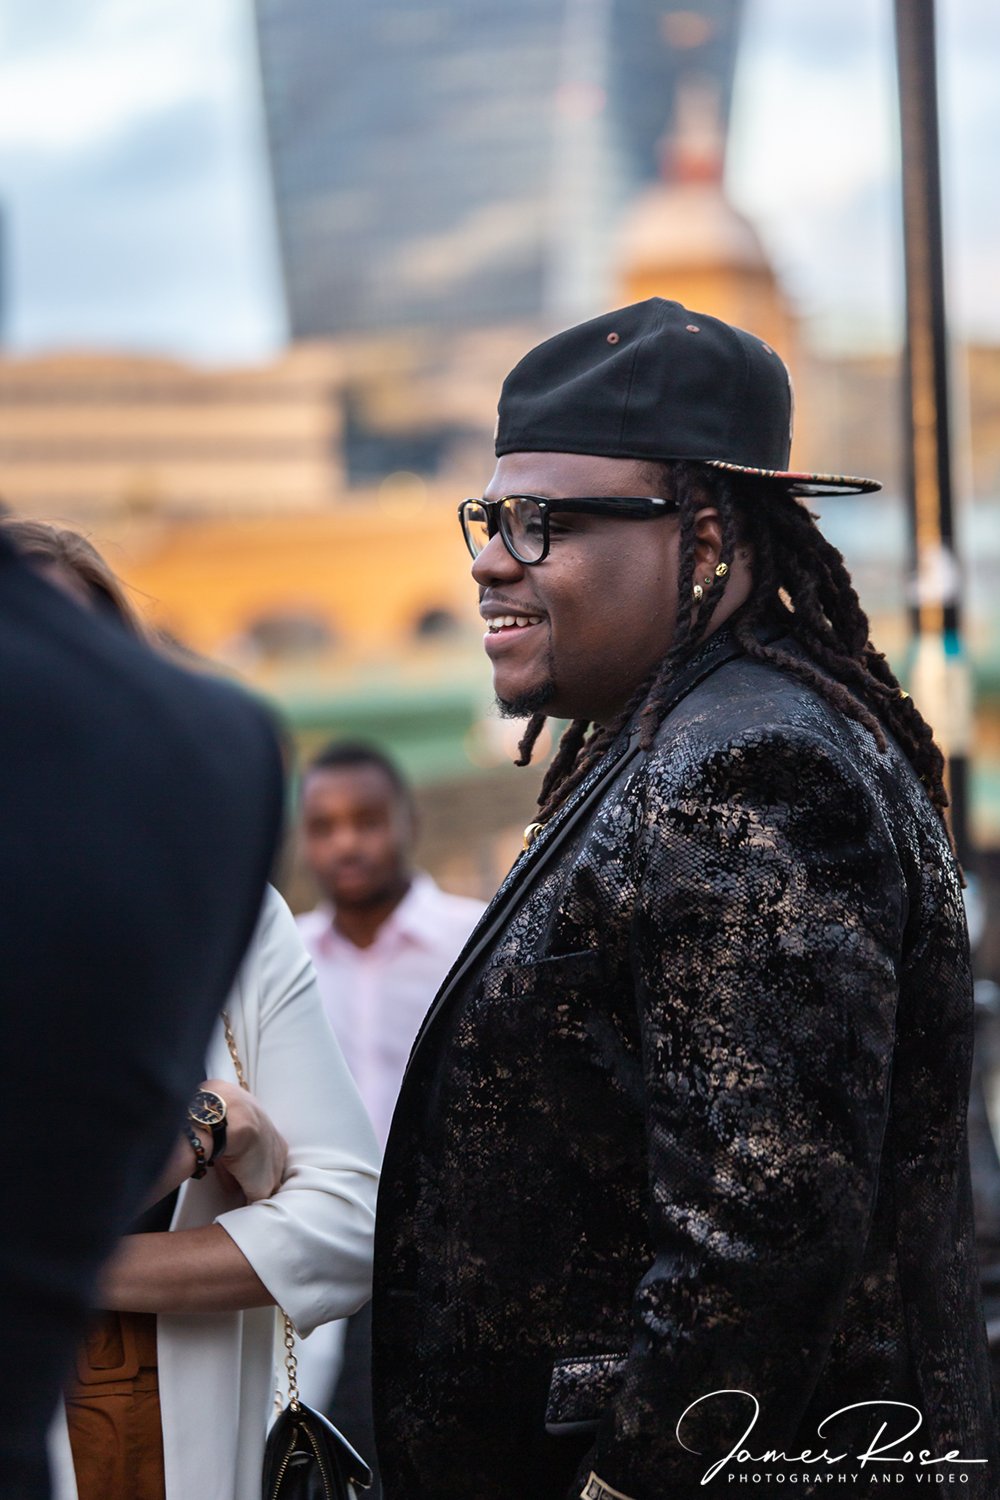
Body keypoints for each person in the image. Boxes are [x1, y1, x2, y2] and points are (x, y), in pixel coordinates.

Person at [371, 298, 999, 1498]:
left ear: (703, 531)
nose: (489, 557)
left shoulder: (748, 766)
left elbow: (760, 1237)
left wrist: (625, 1485)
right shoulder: (678, 742)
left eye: (541, 521)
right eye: (490, 516)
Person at [0, 520, 380, 1500]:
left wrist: (76, 1270)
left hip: (189, 1455)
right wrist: (218, 1128)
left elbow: (347, 1224)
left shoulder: (232, 909)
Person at [295, 741, 484, 1488]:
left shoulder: (475, 937)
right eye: (324, 825)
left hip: (447, 1256)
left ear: (407, 821)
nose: (346, 841)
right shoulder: (283, 964)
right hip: (317, 1260)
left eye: (366, 819)